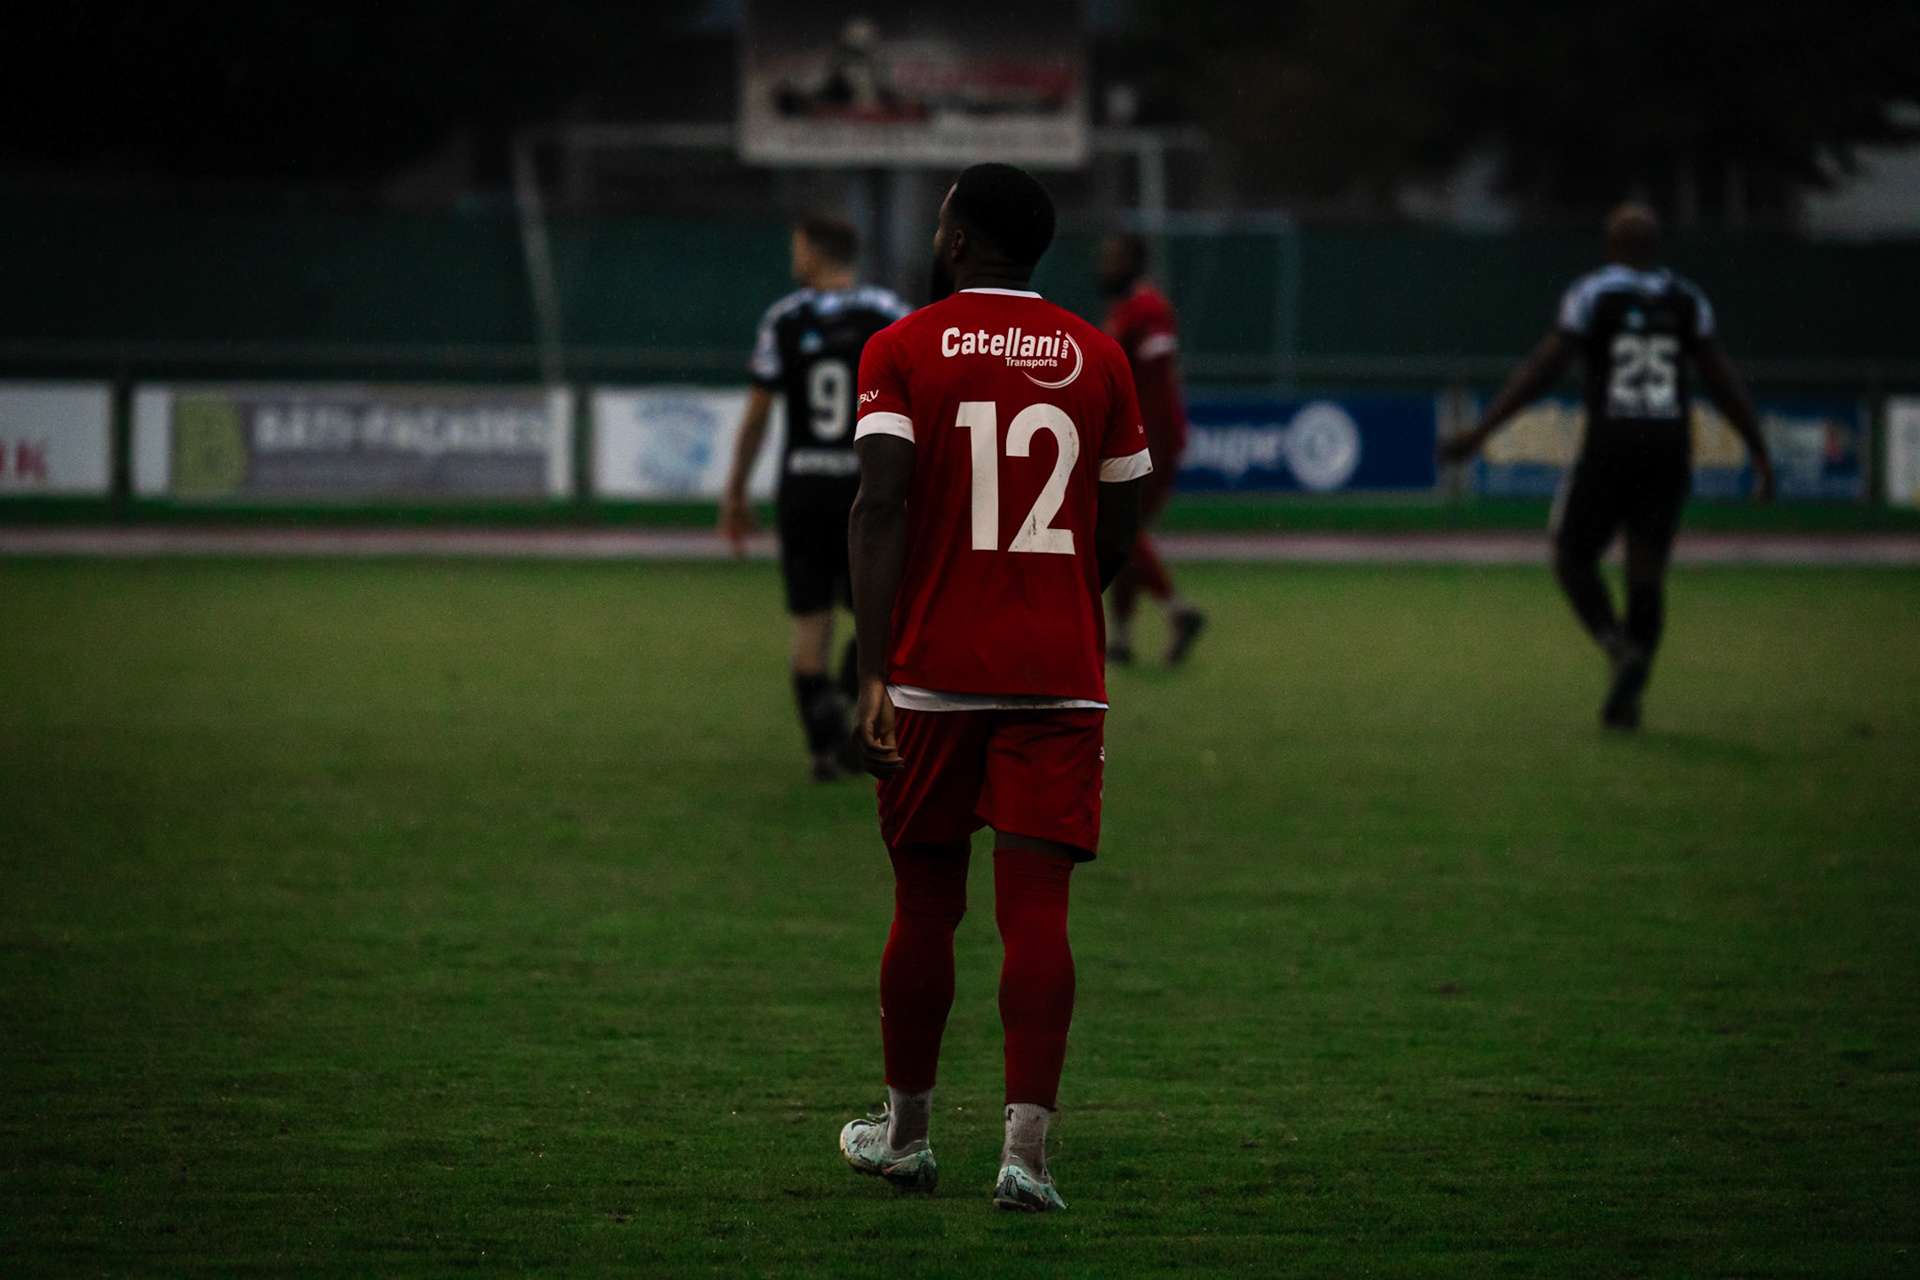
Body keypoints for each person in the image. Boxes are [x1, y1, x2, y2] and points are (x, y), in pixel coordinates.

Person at [839, 163, 1149, 1212]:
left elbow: (879, 506)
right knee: (1039, 910)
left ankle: (908, 1137)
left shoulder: (901, 347)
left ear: (961, 243)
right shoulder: (1097, 353)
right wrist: (1065, 598)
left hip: (933, 673)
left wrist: (872, 662)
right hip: (1060, 675)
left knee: (926, 900)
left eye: (939, 224)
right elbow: (1123, 514)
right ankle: (1028, 1156)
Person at [1440, 202, 1775, 730]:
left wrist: (1483, 431)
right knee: (1646, 576)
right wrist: (1758, 451)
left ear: (1609, 247)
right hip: (1667, 451)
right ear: (1656, 247)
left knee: (1571, 557)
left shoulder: (1593, 294)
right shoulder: (1688, 299)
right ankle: (1630, 702)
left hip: (1611, 447)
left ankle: (1618, 648)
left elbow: (1543, 369)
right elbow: (1721, 379)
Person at [720, 214, 911, 781]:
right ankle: (852, 724)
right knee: (880, 617)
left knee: (810, 624)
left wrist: (734, 491)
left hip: (802, 488)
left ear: (812, 251)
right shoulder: (888, 313)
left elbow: (757, 416)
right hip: (866, 487)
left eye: (796, 244)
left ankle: (822, 747)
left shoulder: (785, 318)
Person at [1098, 231, 1206, 666]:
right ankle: (1122, 639)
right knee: (1126, 532)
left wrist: (1152, 442)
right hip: (1135, 439)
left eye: (1113, 256)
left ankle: (1177, 611)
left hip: (1149, 441)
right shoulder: (1125, 309)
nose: (1105, 265)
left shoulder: (1148, 310)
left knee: (1117, 528)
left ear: (1132, 261)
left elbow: (1158, 382)